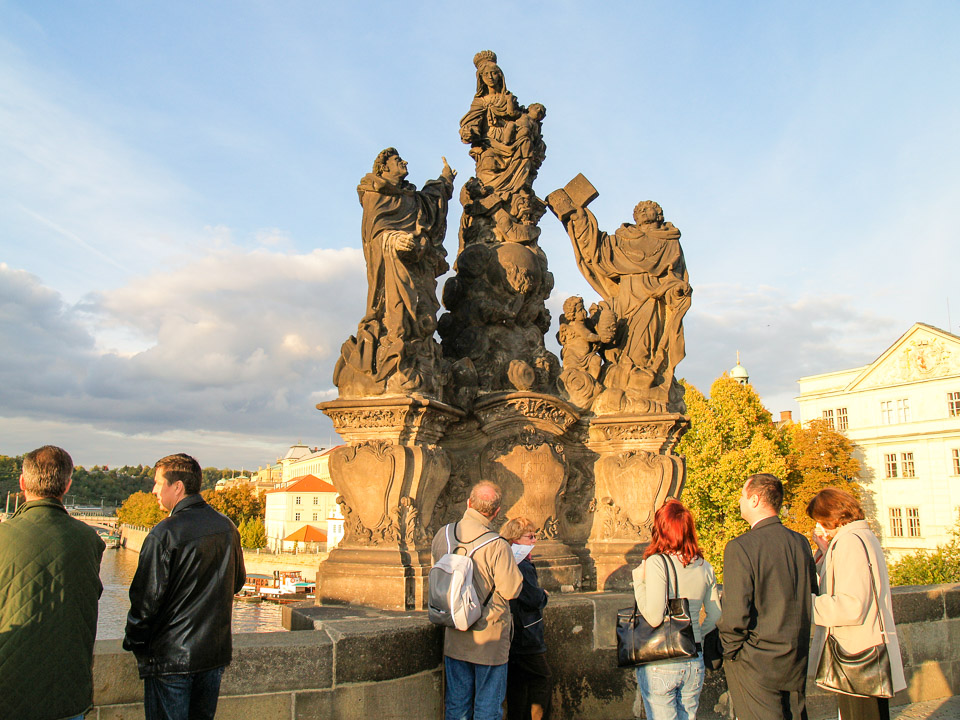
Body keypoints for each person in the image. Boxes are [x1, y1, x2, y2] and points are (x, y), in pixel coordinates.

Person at [123, 453, 245, 720]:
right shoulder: (227, 527)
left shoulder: (164, 533)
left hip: (170, 659)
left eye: (158, 483)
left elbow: (145, 603)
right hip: (213, 656)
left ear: (177, 486)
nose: (154, 490)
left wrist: (135, 642)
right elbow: (237, 583)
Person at [334, 147, 455, 398]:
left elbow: (431, 202)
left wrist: (445, 180)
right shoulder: (375, 194)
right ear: (384, 167)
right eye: (398, 160)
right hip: (391, 266)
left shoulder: (411, 197)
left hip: (417, 266)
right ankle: (394, 359)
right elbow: (373, 237)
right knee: (397, 317)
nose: (405, 162)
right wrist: (392, 240)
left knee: (423, 315)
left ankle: (418, 358)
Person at [0, 445, 105, 720]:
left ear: (22, 482)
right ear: (67, 485)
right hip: (67, 693)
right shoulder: (90, 540)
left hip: (6, 691)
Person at [718, 473, 819, 720]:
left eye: (742, 495)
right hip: (795, 656)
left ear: (754, 500)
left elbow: (735, 615)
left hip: (756, 661)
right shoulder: (799, 542)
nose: (739, 501)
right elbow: (810, 595)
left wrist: (730, 652)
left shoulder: (740, 547)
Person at [806, 488, 906, 720]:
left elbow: (851, 606)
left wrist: (805, 605)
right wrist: (826, 551)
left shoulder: (850, 541)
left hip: (857, 652)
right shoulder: (861, 536)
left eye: (820, 521)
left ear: (830, 517)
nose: (819, 527)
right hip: (865, 646)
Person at [431, 481, 523, 720]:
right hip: (489, 637)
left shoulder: (445, 534)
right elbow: (511, 590)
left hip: (455, 632)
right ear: (496, 511)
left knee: (456, 706)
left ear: (469, 503)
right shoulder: (497, 544)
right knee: (488, 708)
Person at [632, 499, 721, 720]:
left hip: (663, 660)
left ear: (660, 529)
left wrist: (639, 583)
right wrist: (695, 633)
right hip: (694, 659)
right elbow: (716, 614)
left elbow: (653, 617)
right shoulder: (704, 566)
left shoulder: (657, 563)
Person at [500, 516, 552, 720]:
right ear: (515, 539)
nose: (534, 541)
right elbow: (531, 597)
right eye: (529, 536)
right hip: (527, 632)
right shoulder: (522, 564)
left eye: (535, 536)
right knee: (542, 678)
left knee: (518, 683)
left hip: (511, 632)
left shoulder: (506, 560)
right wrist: (543, 596)